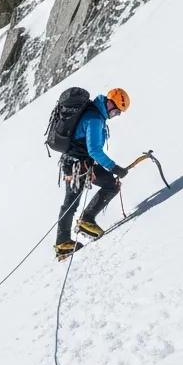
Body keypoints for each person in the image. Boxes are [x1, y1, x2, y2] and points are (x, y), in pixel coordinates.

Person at [55, 88, 131, 260]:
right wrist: (114, 167)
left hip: (79, 163)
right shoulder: (95, 119)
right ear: (111, 104)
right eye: (117, 111)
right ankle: (63, 242)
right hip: (76, 166)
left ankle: (84, 222)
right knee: (72, 201)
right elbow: (95, 150)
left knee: (110, 185)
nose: (116, 114)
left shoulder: (94, 113)